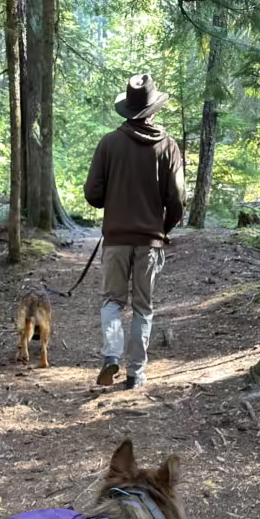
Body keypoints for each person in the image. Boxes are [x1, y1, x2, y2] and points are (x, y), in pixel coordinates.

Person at [84, 73, 186, 389]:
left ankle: (111, 357)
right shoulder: (168, 147)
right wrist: (161, 229)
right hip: (150, 243)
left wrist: (116, 200)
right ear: (153, 109)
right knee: (143, 307)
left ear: (128, 109)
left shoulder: (109, 143)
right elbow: (178, 202)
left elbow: (92, 194)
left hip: (115, 239)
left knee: (112, 302)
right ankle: (135, 373)